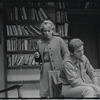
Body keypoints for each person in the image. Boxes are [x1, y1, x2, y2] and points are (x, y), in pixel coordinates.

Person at [34, 20, 69, 97]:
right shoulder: (39, 42)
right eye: (45, 31)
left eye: (49, 31)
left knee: (57, 90)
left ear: (52, 30)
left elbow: (66, 53)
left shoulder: (58, 40)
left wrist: (64, 64)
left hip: (58, 68)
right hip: (45, 69)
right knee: (44, 91)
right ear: (42, 32)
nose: (47, 33)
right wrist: (37, 56)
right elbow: (38, 59)